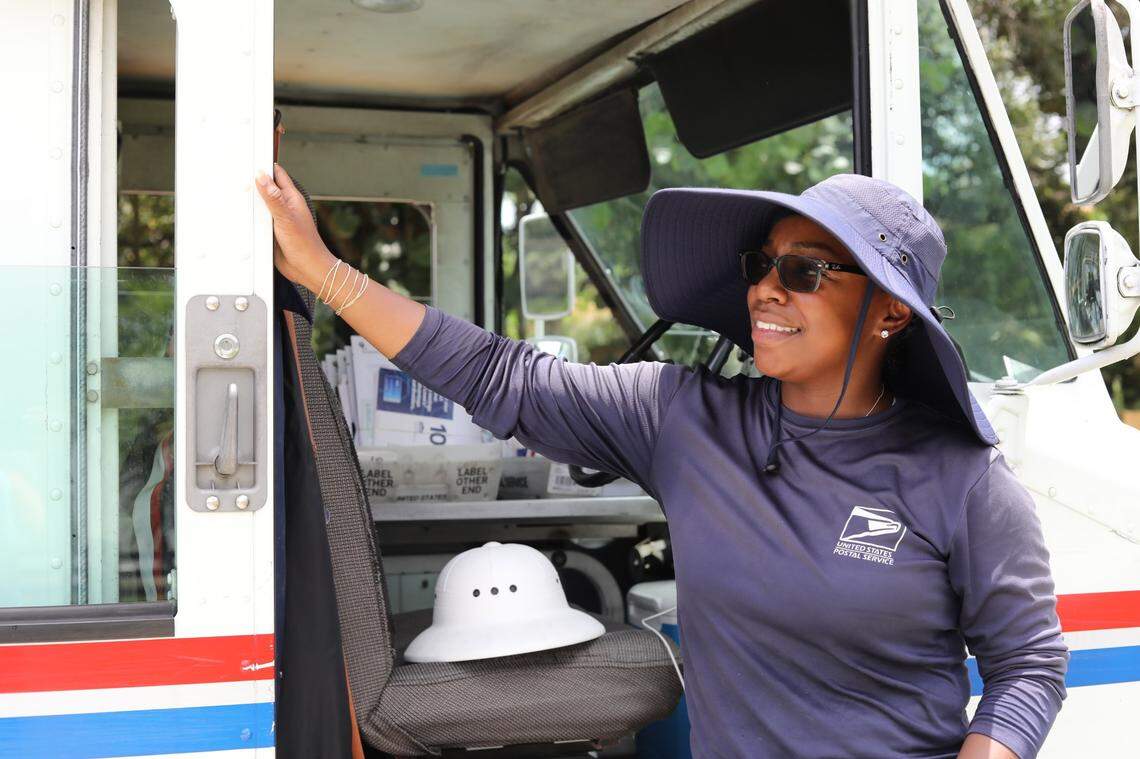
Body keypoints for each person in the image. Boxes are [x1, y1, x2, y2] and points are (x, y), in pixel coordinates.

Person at [258, 166, 1068, 759]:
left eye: (805, 271)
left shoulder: (963, 479)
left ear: (890, 311)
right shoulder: (681, 417)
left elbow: (1028, 664)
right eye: (762, 265)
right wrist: (322, 271)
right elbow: (499, 376)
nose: (766, 291)